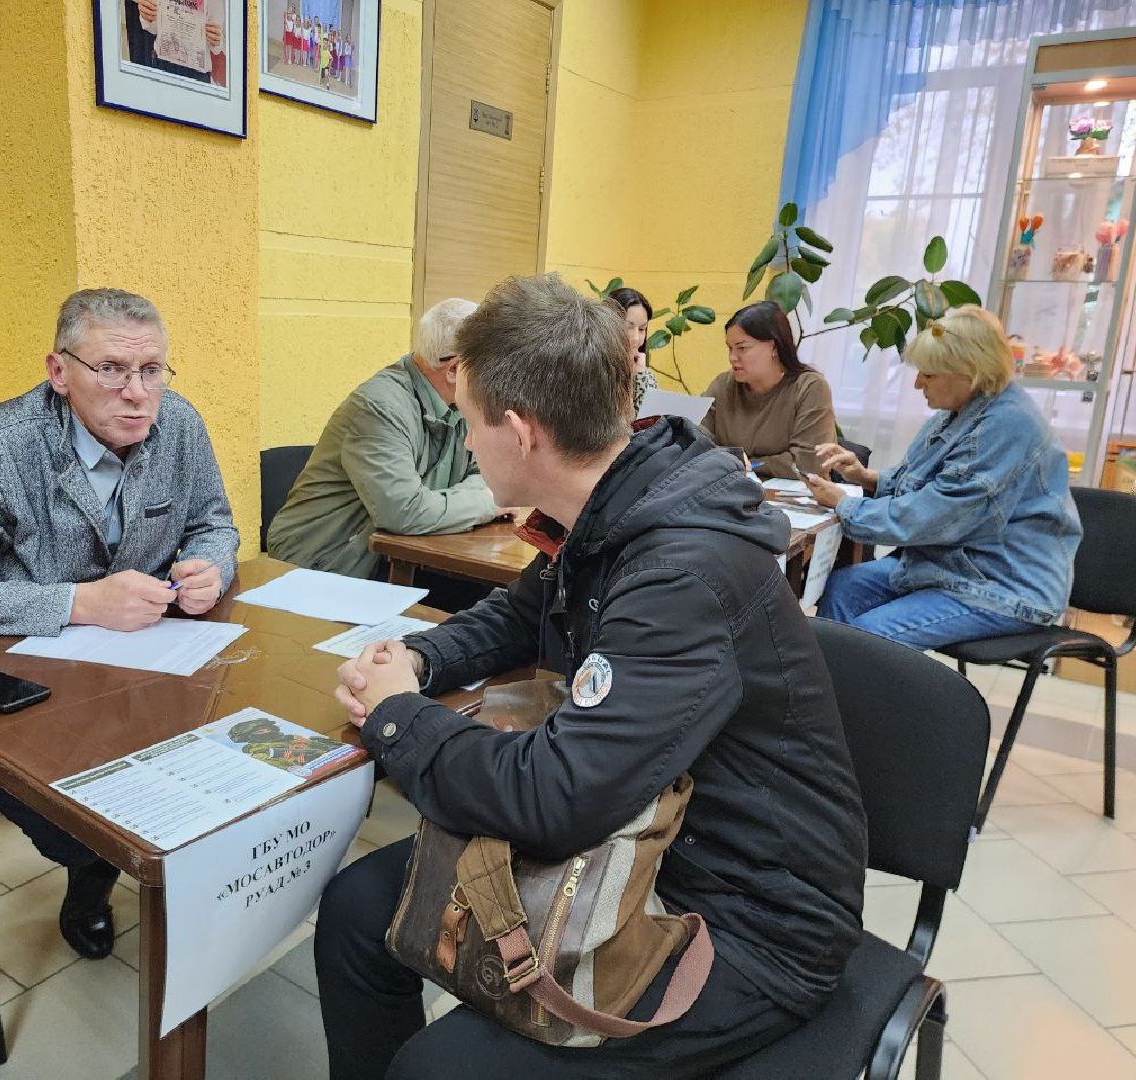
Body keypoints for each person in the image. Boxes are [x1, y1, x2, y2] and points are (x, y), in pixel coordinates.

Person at [316, 274, 867, 1080]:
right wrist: (419, 661)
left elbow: (556, 798)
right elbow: (519, 614)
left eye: (469, 424)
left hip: (742, 915)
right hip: (634, 835)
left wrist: (399, 718)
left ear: (518, 430)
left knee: (442, 1067)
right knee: (357, 913)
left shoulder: (679, 568)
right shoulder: (618, 504)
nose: (465, 445)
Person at [0, 288, 239, 959]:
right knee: (86, 824)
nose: (138, 394)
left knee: (218, 757)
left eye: (152, 371)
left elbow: (214, 520)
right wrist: (82, 602)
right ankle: (92, 873)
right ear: (59, 373)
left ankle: (168, 881)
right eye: (111, 370)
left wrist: (210, 563)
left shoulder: (180, 425)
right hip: (22, 682)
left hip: (138, 666)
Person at [810, 306, 1082, 649]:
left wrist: (847, 507)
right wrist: (867, 478)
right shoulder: (961, 411)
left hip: (1001, 586)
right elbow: (921, 478)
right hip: (948, 568)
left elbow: (936, 515)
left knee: (867, 639)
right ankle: (838, 697)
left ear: (968, 371)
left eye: (929, 373)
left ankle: (859, 693)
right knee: (843, 588)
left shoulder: (1008, 425)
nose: (917, 382)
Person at [266, 299, 509, 608]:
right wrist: (487, 502)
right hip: (327, 568)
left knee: (498, 604)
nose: (496, 380)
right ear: (455, 370)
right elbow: (405, 512)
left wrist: (465, 499)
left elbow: (487, 473)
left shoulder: (460, 402)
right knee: (483, 610)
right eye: (489, 367)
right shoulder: (380, 407)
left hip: (402, 554)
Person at [701, 300, 836, 480]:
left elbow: (809, 463)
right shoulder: (723, 385)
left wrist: (745, 463)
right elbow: (697, 442)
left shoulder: (810, 387)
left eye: (742, 348)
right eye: (730, 348)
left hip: (794, 499)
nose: (732, 357)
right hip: (732, 491)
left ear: (773, 347)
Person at [608, 285, 660, 416]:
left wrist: (640, 375)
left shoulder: (644, 374)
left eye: (642, 329)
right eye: (628, 327)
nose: (636, 338)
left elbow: (648, 425)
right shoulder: (590, 368)